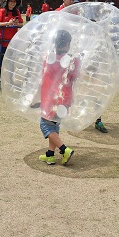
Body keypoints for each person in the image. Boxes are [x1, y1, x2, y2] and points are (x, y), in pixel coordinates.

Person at [38, 29, 77, 166]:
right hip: (65, 98)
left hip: (51, 99)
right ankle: (50, 155)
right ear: (67, 44)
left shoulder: (48, 58)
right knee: (54, 124)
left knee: (45, 124)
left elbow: (43, 76)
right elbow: (75, 76)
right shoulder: (73, 60)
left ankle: (64, 149)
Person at [0, 0, 24, 90]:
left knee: (11, 63)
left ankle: (9, 82)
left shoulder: (17, 12)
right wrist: (7, 23)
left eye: (14, 2)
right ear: (7, 2)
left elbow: (21, 24)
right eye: (11, 1)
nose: (12, 3)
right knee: (0, 62)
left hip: (13, 42)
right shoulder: (2, 11)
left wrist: (16, 24)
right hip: (2, 42)